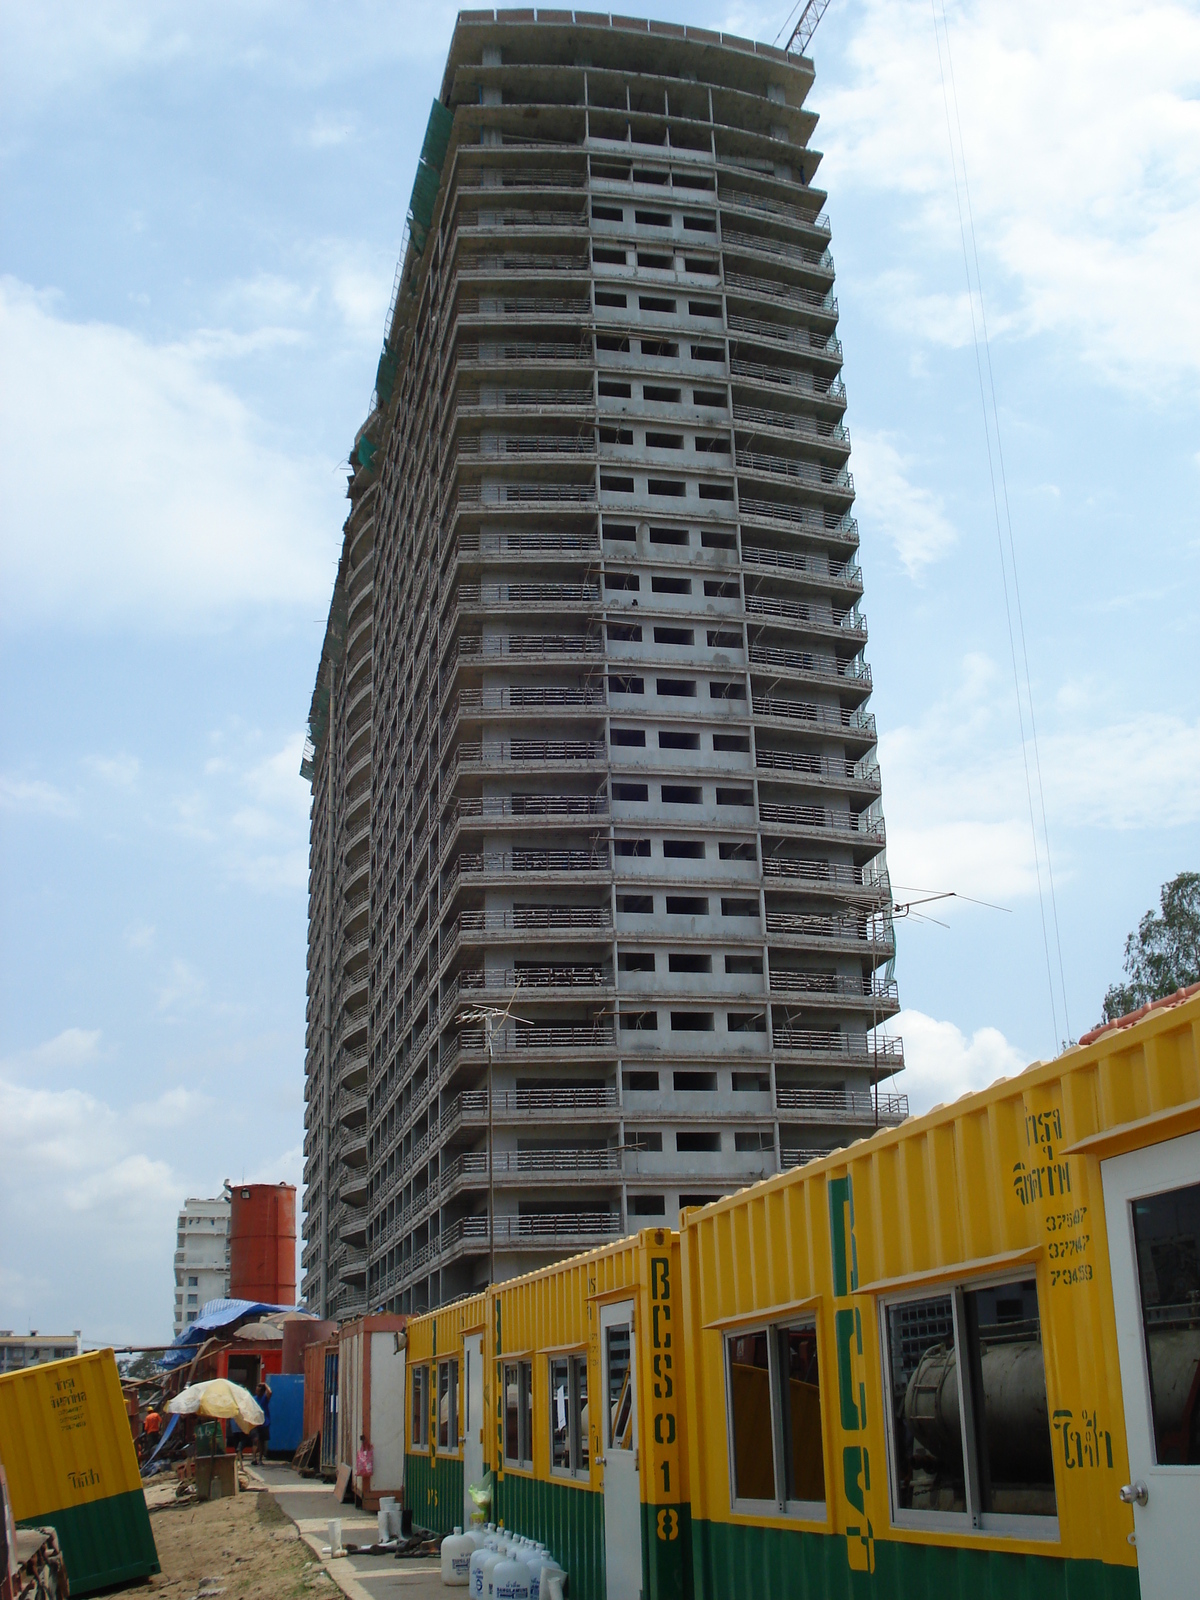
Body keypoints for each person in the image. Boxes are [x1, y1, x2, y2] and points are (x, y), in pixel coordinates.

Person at [252, 1379, 272, 1465]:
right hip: (255, 1422)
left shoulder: (264, 1398)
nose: (257, 1392)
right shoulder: (253, 1399)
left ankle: (260, 1458)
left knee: (262, 1441)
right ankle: (254, 1458)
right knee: (256, 1440)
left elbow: (270, 1392)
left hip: (264, 1422)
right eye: (256, 1390)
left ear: (262, 1392)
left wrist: (265, 1384)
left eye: (259, 1390)